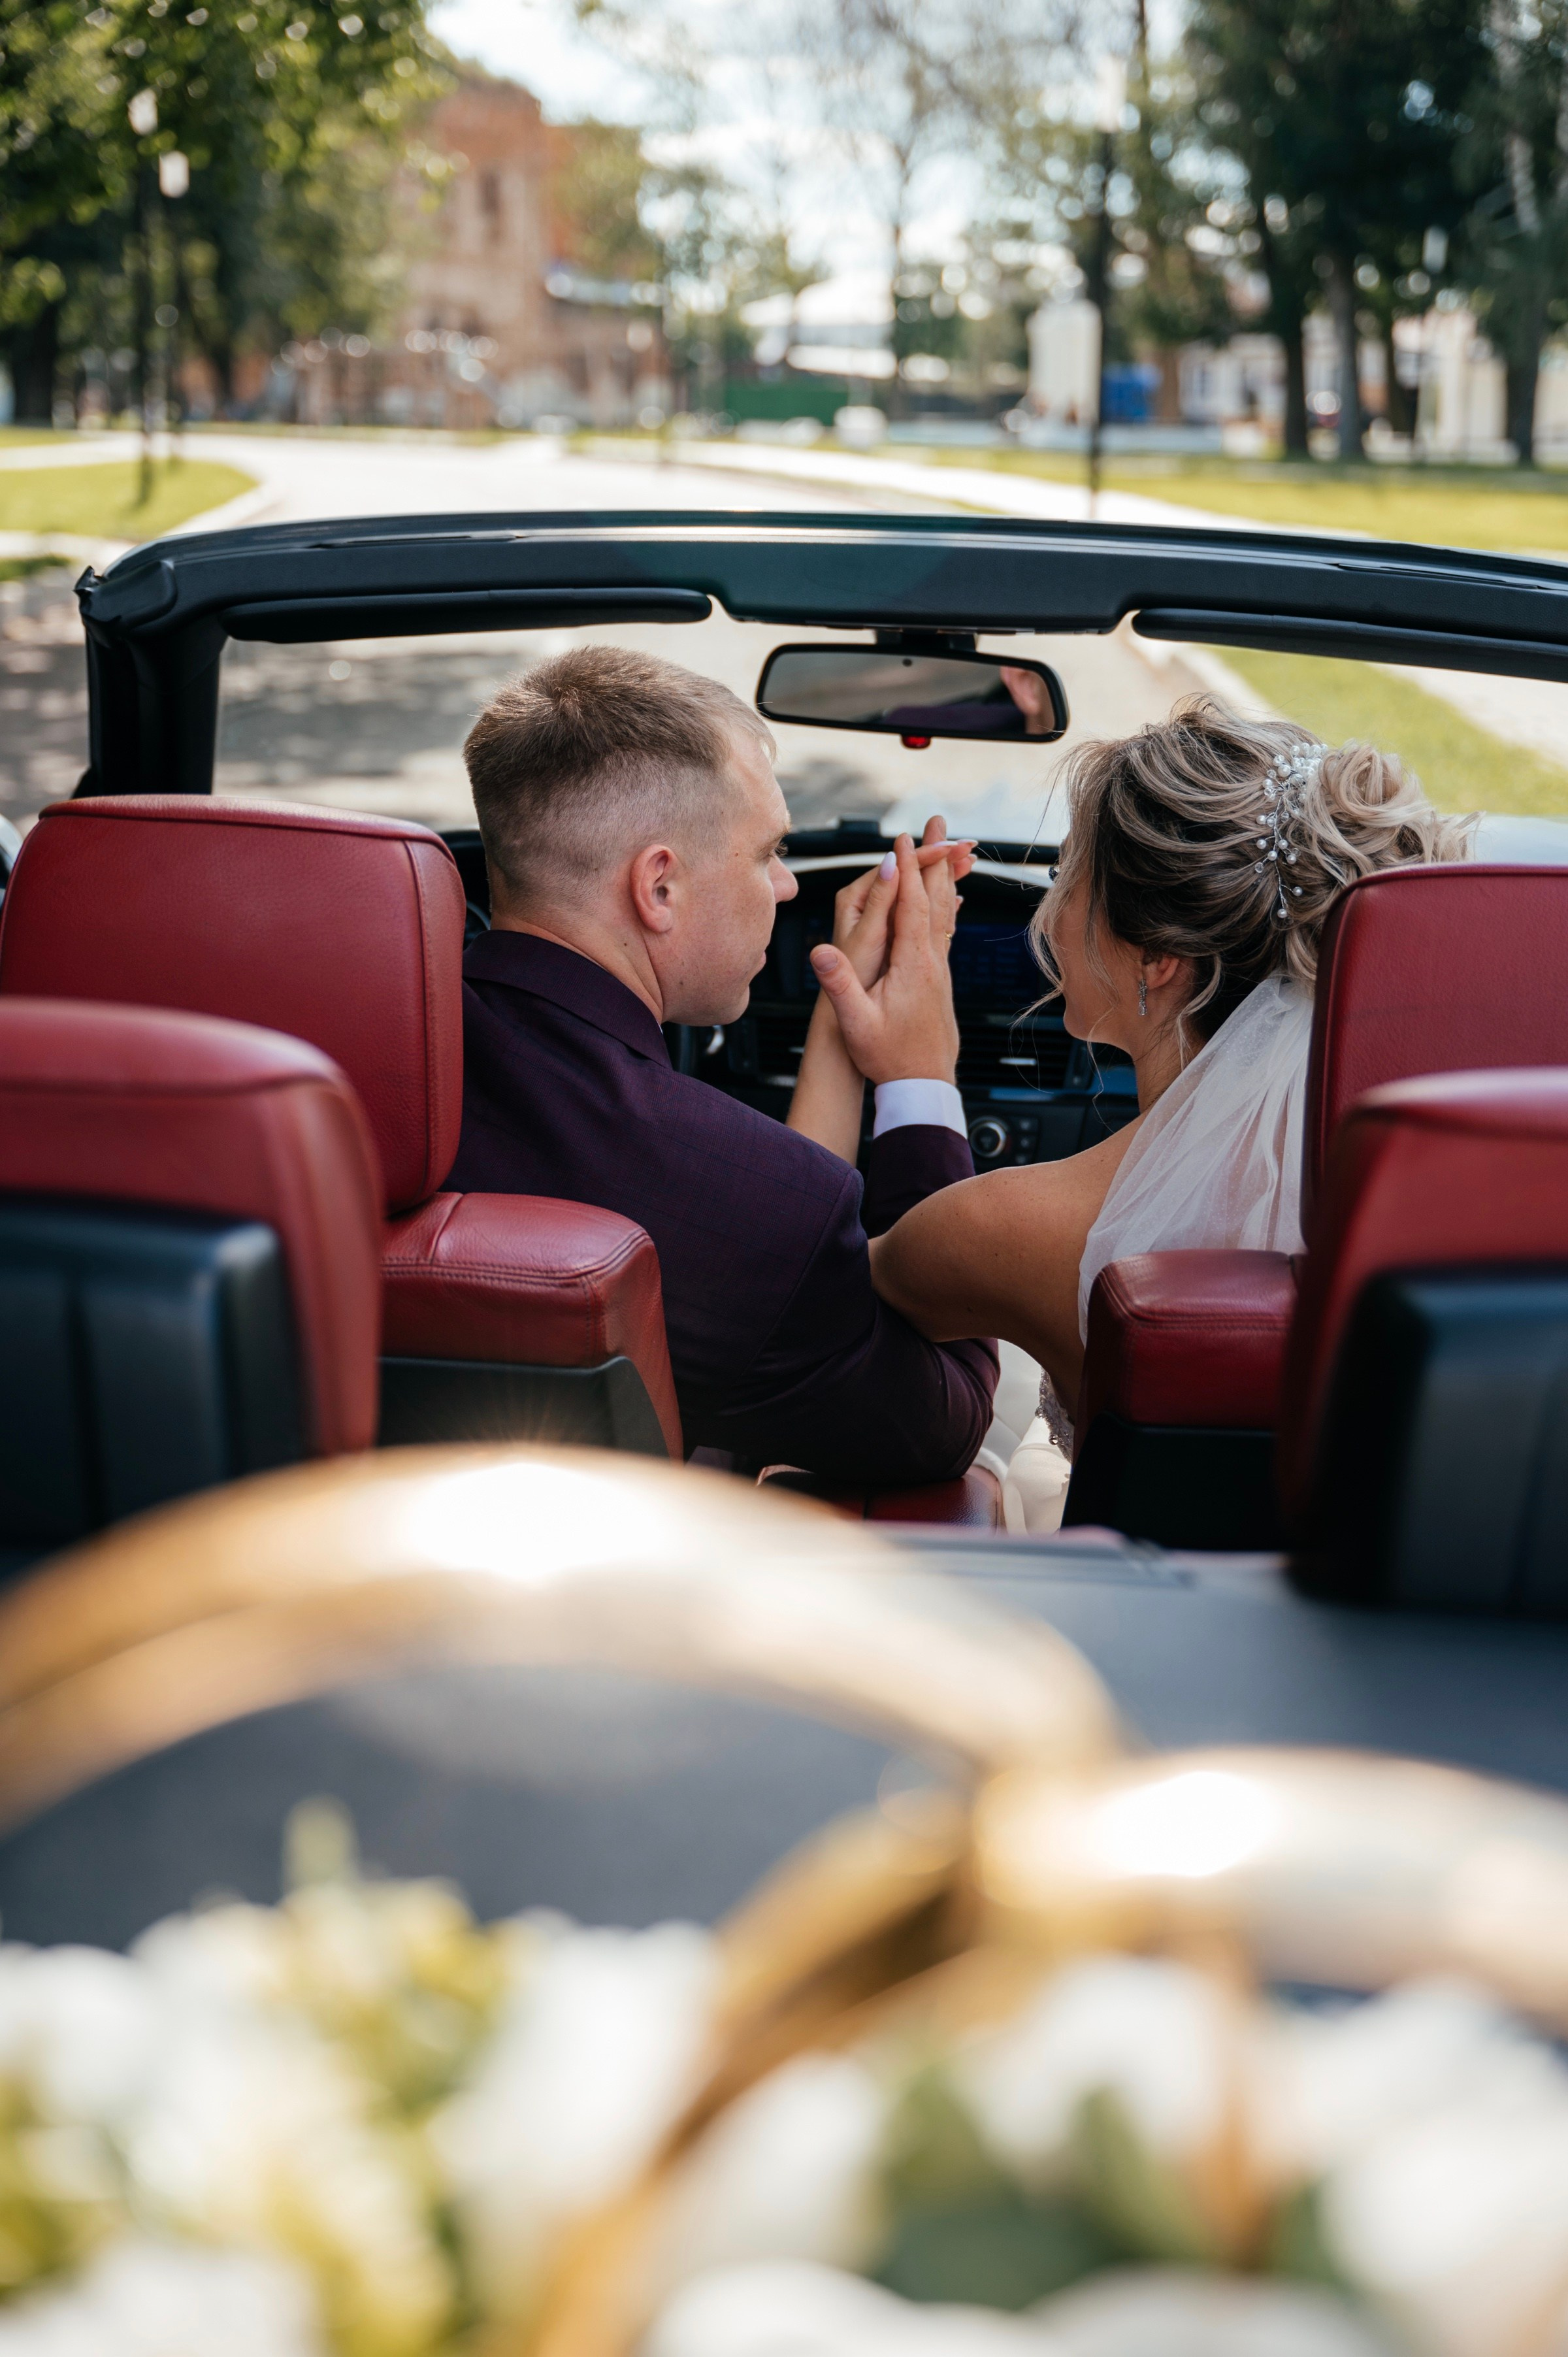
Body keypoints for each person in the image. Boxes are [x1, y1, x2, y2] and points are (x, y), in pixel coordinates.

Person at [833, 699, 1473, 1517]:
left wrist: (892, 1059)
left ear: (1159, 957)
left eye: (1069, 871)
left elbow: (817, 1298)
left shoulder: (1016, 1228)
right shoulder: (1455, 1204)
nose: (1052, 903)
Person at [446, 642, 998, 1481]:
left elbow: (760, 1227)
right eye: (766, 852)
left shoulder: (364, 1051)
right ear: (658, 888)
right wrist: (921, 1075)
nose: (784, 887)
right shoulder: (753, 1211)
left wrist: (843, 1020)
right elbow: (944, 1418)